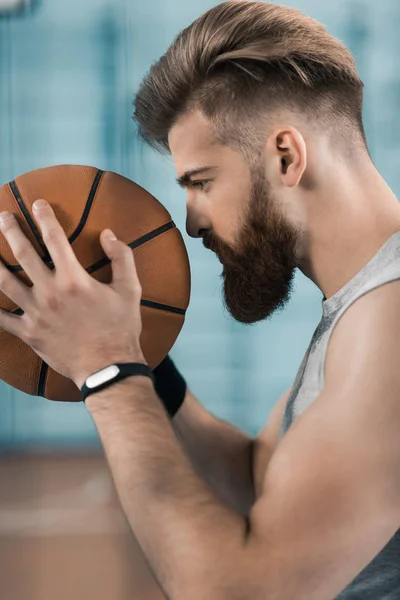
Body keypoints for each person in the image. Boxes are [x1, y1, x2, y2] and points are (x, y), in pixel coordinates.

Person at [1, 1, 399, 599]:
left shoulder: (390, 322)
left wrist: (107, 369)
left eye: (202, 182)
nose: (190, 222)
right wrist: (138, 355)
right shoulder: (360, 309)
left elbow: (235, 590)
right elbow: (258, 480)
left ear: (286, 156)